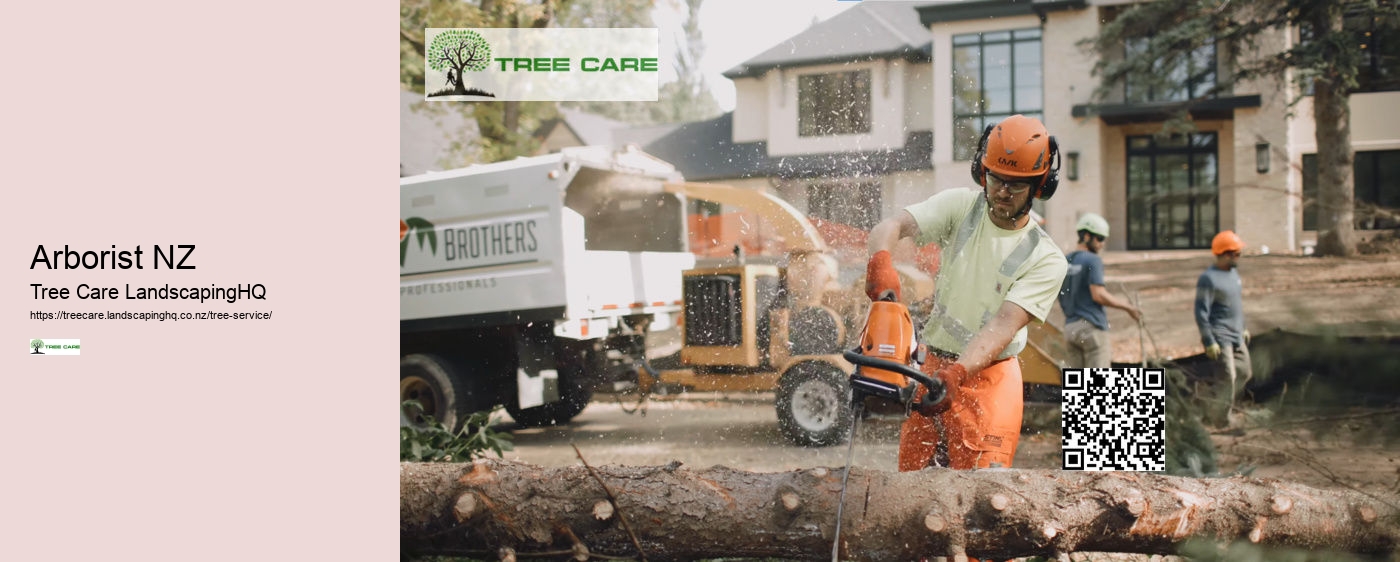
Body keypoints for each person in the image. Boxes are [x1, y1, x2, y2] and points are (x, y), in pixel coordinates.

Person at [866, 115, 1068, 471]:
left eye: (1016, 185)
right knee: (913, 482)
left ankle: (1105, 474)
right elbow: (892, 225)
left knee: (979, 498)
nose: (1003, 191)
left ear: (1040, 186)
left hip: (990, 376)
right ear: (981, 172)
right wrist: (881, 260)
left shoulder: (1047, 257)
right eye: (996, 179)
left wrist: (958, 373)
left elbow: (1003, 325)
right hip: (933, 365)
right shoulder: (962, 208)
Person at [1057, 213, 1140, 368]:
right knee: (1098, 387)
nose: (1102, 244)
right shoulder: (1092, 260)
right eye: (1100, 238)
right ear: (1087, 236)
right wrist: (1128, 307)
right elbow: (1098, 294)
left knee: (1078, 386)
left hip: (1070, 330)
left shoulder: (1064, 261)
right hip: (1091, 328)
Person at [1195, 230, 1251, 427]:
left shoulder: (1234, 274)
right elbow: (1201, 311)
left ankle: (1212, 406)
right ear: (1226, 254)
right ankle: (1221, 420)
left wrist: (1243, 327)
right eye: (1237, 253)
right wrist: (1209, 340)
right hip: (1220, 336)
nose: (1239, 257)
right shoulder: (1208, 279)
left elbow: (1236, 304)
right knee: (1228, 377)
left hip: (1237, 334)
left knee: (1244, 372)